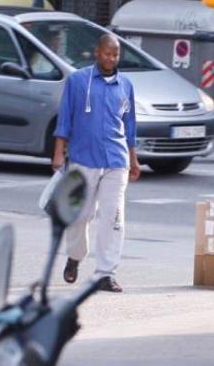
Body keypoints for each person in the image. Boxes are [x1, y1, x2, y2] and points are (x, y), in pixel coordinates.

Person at [52, 33, 140, 293]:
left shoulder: (126, 85)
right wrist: (58, 154)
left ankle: (105, 273)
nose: (111, 58)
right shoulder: (78, 81)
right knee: (80, 215)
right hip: (83, 158)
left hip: (116, 160)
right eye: (107, 53)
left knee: (113, 219)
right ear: (96, 52)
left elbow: (130, 126)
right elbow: (64, 120)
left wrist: (133, 159)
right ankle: (75, 256)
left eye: (116, 54)